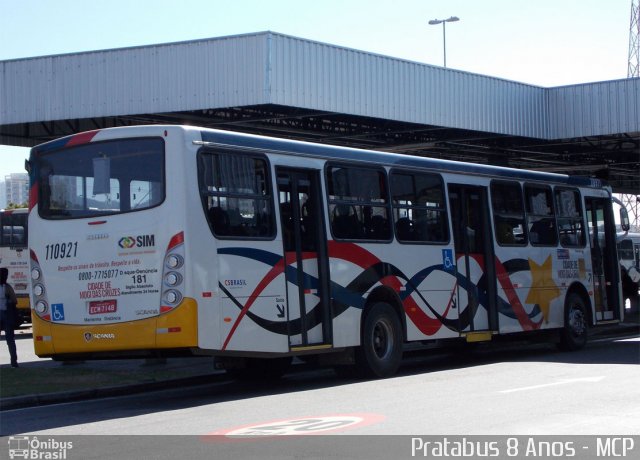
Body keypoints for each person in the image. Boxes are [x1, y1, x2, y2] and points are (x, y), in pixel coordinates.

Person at [0, 267, 19, 368]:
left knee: (10, 340)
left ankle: (14, 361)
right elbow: (15, 301)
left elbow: (14, 301)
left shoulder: (7, 287)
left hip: (6, 315)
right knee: (10, 340)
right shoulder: (8, 287)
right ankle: (14, 361)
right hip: (6, 315)